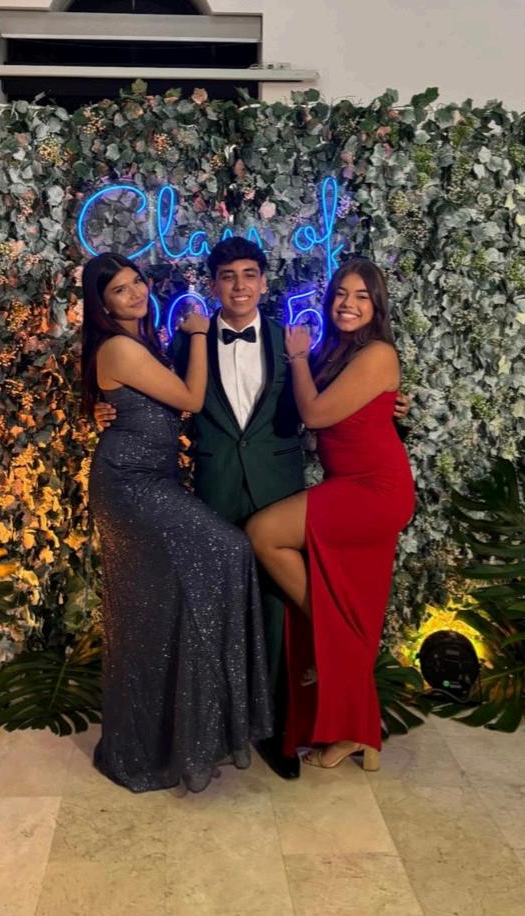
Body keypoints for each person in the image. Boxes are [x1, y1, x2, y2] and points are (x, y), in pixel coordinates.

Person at [95, 238, 410, 781]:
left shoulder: (298, 346)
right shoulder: (183, 344)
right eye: (227, 276)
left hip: (277, 487)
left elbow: (350, 404)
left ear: (264, 282)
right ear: (213, 285)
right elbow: (145, 396)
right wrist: (105, 411)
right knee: (220, 609)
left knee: (275, 610)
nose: (239, 286)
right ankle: (224, 726)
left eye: (249, 275)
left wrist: (399, 408)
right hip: (216, 486)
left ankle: (279, 732)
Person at [81, 251, 272, 794]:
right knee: (229, 551)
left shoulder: (138, 342)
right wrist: (199, 334)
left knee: (155, 615)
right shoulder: (121, 346)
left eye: (137, 282)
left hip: (154, 480)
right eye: (120, 290)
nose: (136, 293)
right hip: (131, 487)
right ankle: (171, 740)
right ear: (102, 304)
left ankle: (170, 740)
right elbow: (189, 398)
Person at [245, 258, 415, 772]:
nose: (348, 303)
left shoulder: (378, 352)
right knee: (345, 602)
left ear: (377, 306)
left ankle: (332, 641)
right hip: (351, 484)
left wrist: (297, 357)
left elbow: (316, 414)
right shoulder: (340, 351)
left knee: (264, 533)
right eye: (342, 293)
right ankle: (358, 733)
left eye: (362, 296)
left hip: (375, 489)